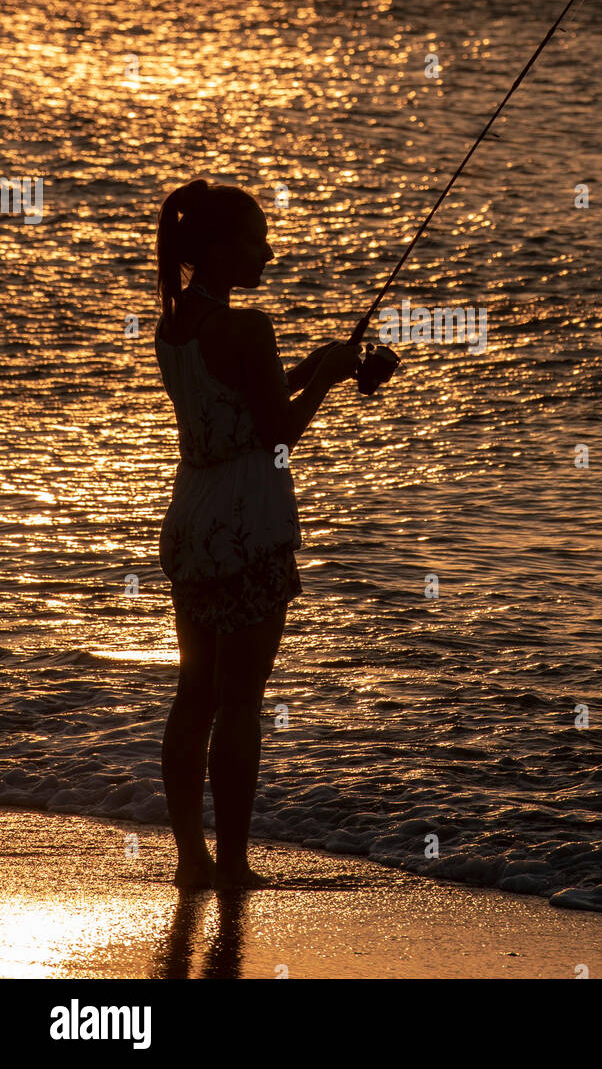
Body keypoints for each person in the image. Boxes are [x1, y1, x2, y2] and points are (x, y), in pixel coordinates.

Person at [154, 177, 361, 889]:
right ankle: (235, 864)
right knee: (240, 702)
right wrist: (329, 382)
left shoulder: (175, 325)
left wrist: (320, 364)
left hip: (191, 524)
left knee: (194, 695)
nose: (267, 251)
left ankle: (192, 859)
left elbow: (244, 398)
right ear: (218, 248)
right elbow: (276, 432)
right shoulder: (250, 327)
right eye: (254, 238)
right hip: (248, 528)